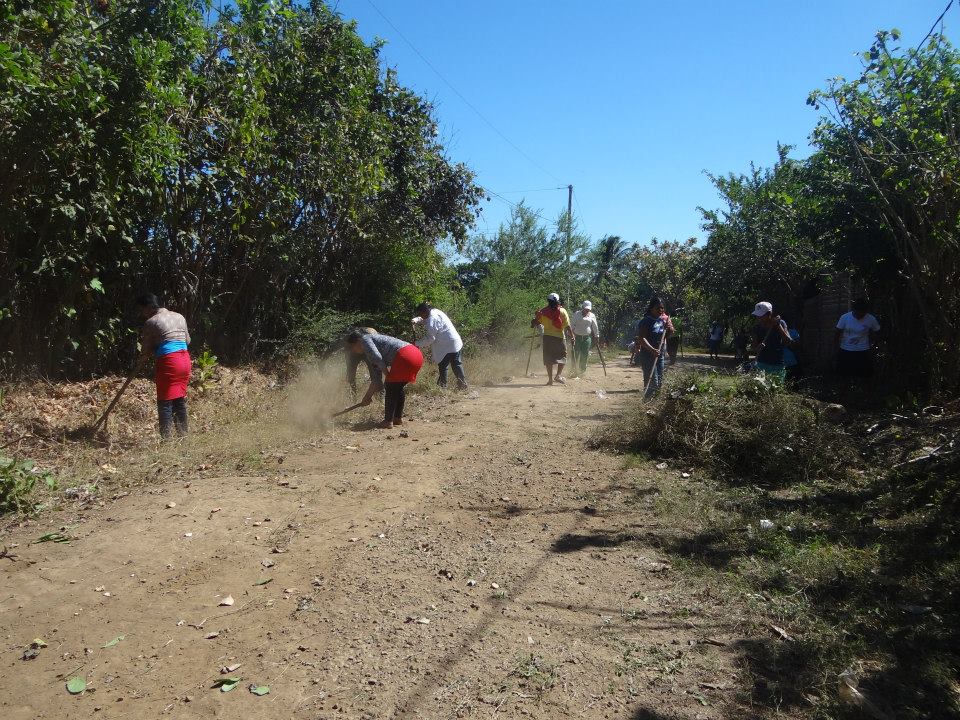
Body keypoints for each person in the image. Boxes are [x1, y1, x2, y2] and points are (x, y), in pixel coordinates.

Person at [137, 293, 191, 438]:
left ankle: (166, 440)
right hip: (185, 360)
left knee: (164, 401)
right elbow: (187, 340)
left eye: (142, 310)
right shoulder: (179, 316)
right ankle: (183, 435)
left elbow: (145, 350)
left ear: (148, 308)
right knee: (179, 398)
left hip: (169, 362)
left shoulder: (151, 322)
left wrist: (144, 357)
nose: (142, 314)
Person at [345, 331, 424, 429]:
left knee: (390, 386)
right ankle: (397, 418)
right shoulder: (371, 346)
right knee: (397, 387)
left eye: (352, 347)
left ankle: (388, 421)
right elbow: (376, 380)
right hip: (416, 355)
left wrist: (387, 374)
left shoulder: (365, 340)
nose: (353, 350)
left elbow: (377, 357)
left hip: (405, 355)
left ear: (357, 341)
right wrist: (367, 397)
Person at [413, 302, 467, 390]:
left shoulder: (432, 320)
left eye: (420, 314)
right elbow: (425, 319)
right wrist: (416, 320)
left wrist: (416, 343)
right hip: (454, 341)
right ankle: (462, 384)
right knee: (456, 364)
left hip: (445, 345)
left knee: (443, 365)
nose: (420, 316)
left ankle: (442, 387)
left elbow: (430, 339)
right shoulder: (435, 311)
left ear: (424, 312)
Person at [635, 296, 674, 398]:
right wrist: (652, 350)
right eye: (658, 308)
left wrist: (669, 330)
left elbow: (664, 337)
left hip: (659, 355)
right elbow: (641, 338)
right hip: (648, 355)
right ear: (651, 308)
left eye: (662, 308)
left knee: (660, 381)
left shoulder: (662, 320)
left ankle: (654, 403)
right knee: (653, 382)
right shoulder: (646, 321)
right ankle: (646, 403)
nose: (661, 310)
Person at [531, 292, 574, 385]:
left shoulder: (543, 311)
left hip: (547, 338)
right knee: (563, 357)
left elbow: (534, 324)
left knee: (548, 359)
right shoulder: (562, 311)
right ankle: (558, 375)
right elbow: (567, 326)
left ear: (548, 301)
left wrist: (536, 317)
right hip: (559, 338)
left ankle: (550, 380)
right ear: (558, 301)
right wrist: (572, 336)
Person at [835, 298, 881, 379]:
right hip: (846, 349)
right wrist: (836, 348)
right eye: (857, 313)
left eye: (862, 314)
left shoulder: (871, 319)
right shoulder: (845, 317)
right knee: (844, 374)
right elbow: (837, 333)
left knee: (864, 375)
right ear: (854, 310)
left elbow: (877, 332)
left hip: (863, 350)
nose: (860, 315)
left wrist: (874, 345)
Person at [750, 301, 795, 381]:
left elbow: (788, 341)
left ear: (769, 314)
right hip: (761, 364)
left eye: (761, 315)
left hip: (777, 364)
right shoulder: (756, 328)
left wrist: (778, 326)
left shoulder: (781, 323)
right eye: (757, 315)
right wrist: (757, 348)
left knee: (775, 389)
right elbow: (753, 348)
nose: (758, 318)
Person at [569, 300, 600, 377]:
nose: (587, 310)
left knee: (584, 354)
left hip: (587, 338)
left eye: (588, 309)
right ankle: (573, 369)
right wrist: (571, 335)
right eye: (586, 309)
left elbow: (595, 327)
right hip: (577, 337)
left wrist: (597, 336)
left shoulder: (592, 316)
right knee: (575, 353)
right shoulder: (577, 314)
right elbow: (571, 325)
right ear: (582, 307)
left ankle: (582, 371)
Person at [345, 326, 377, 396]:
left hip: (366, 352)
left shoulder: (369, 333)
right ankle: (353, 396)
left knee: (374, 374)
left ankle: (378, 395)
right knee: (351, 376)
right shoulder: (350, 339)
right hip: (353, 355)